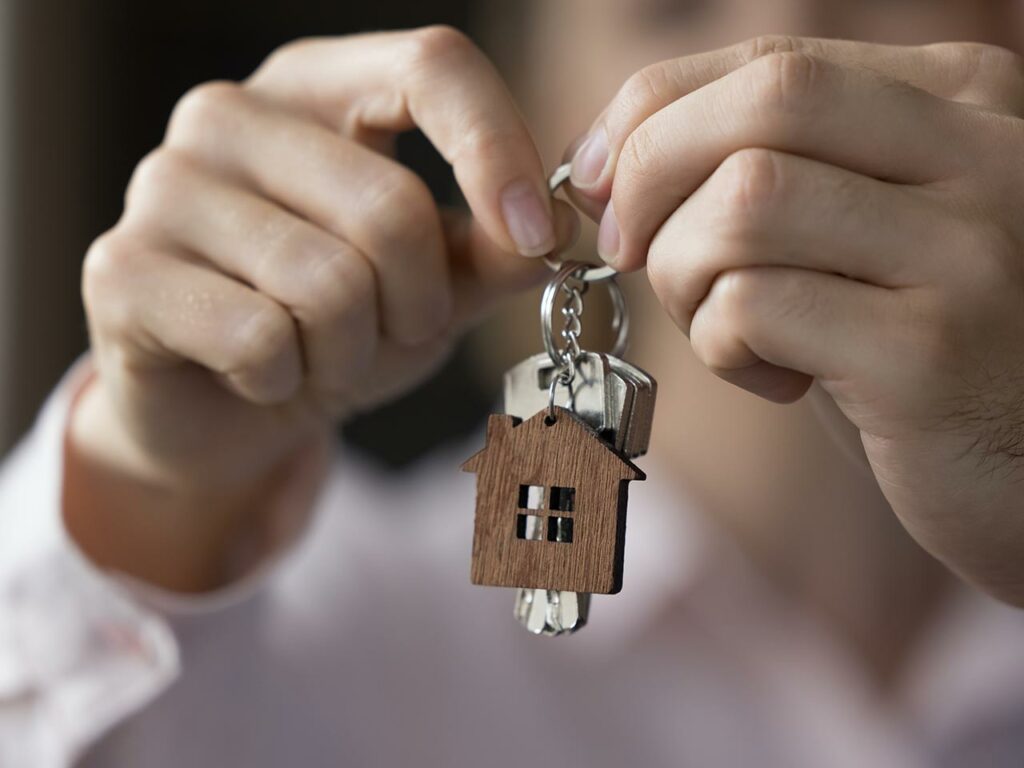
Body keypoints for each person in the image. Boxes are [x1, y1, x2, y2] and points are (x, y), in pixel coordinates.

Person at [3, 0, 1024, 765]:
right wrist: (145, 491)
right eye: (670, 1)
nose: (780, 49)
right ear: (535, 122)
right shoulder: (346, 617)